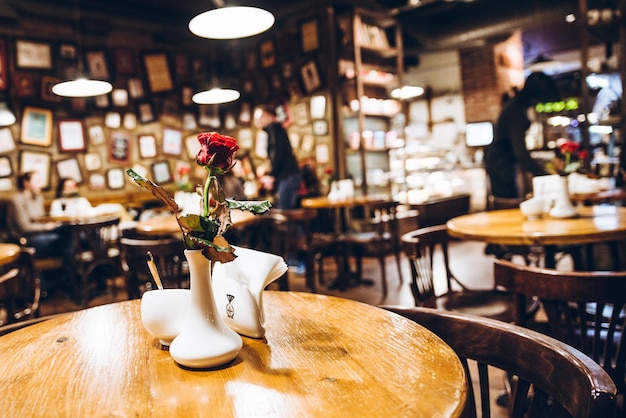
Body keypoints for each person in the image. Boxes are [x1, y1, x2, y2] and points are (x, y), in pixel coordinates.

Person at [484, 72, 561, 199]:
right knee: (508, 202)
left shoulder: (517, 106)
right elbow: (520, 152)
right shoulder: (516, 111)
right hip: (500, 162)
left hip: (501, 159)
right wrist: (545, 175)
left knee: (511, 197)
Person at [6, 171, 74, 262]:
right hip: (26, 239)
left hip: (41, 234)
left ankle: (70, 271)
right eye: (37, 181)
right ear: (26, 183)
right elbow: (24, 228)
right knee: (67, 239)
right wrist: (46, 227)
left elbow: (40, 219)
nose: (40, 185)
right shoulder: (17, 200)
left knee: (68, 230)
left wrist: (50, 224)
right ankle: (71, 272)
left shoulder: (39, 198)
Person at [253, 105, 301, 209]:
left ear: (270, 116)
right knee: (287, 211)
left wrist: (271, 175)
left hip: (288, 177)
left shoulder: (274, 128)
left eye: (260, 116)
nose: (257, 120)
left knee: (285, 213)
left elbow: (277, 153)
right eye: (255, 118)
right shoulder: (274, 130)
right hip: (288, 176)